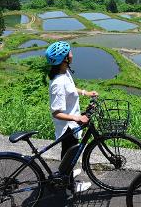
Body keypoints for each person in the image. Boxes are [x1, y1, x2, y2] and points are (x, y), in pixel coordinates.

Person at [45, 41, 98, 194]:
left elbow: (71, 88)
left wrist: (85, 93)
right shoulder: (58, 83)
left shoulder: (64, 72)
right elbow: (56, 112)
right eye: (69, 53)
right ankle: (70, 185)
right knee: (69, 151)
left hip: (71, 124)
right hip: (67, 126)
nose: (72, 54)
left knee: (69, 152)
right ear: (64, 59)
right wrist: (77, 118)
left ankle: (66, 173)